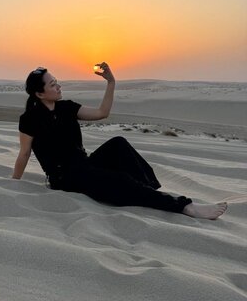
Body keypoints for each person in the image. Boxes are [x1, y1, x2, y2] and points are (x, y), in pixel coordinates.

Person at [12, 63, 228, 220]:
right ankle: (185, 207)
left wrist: (111, 82)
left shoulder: (66, 107)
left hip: (85, 165)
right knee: (120, 179)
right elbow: (24, 154)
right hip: (65, 179)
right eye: (53, 84)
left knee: (118, 143)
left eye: (57, 82)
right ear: (40, 94)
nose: (58, 86)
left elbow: (102, 113)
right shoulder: (29, 119)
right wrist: (13, 183)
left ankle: (149, 192)